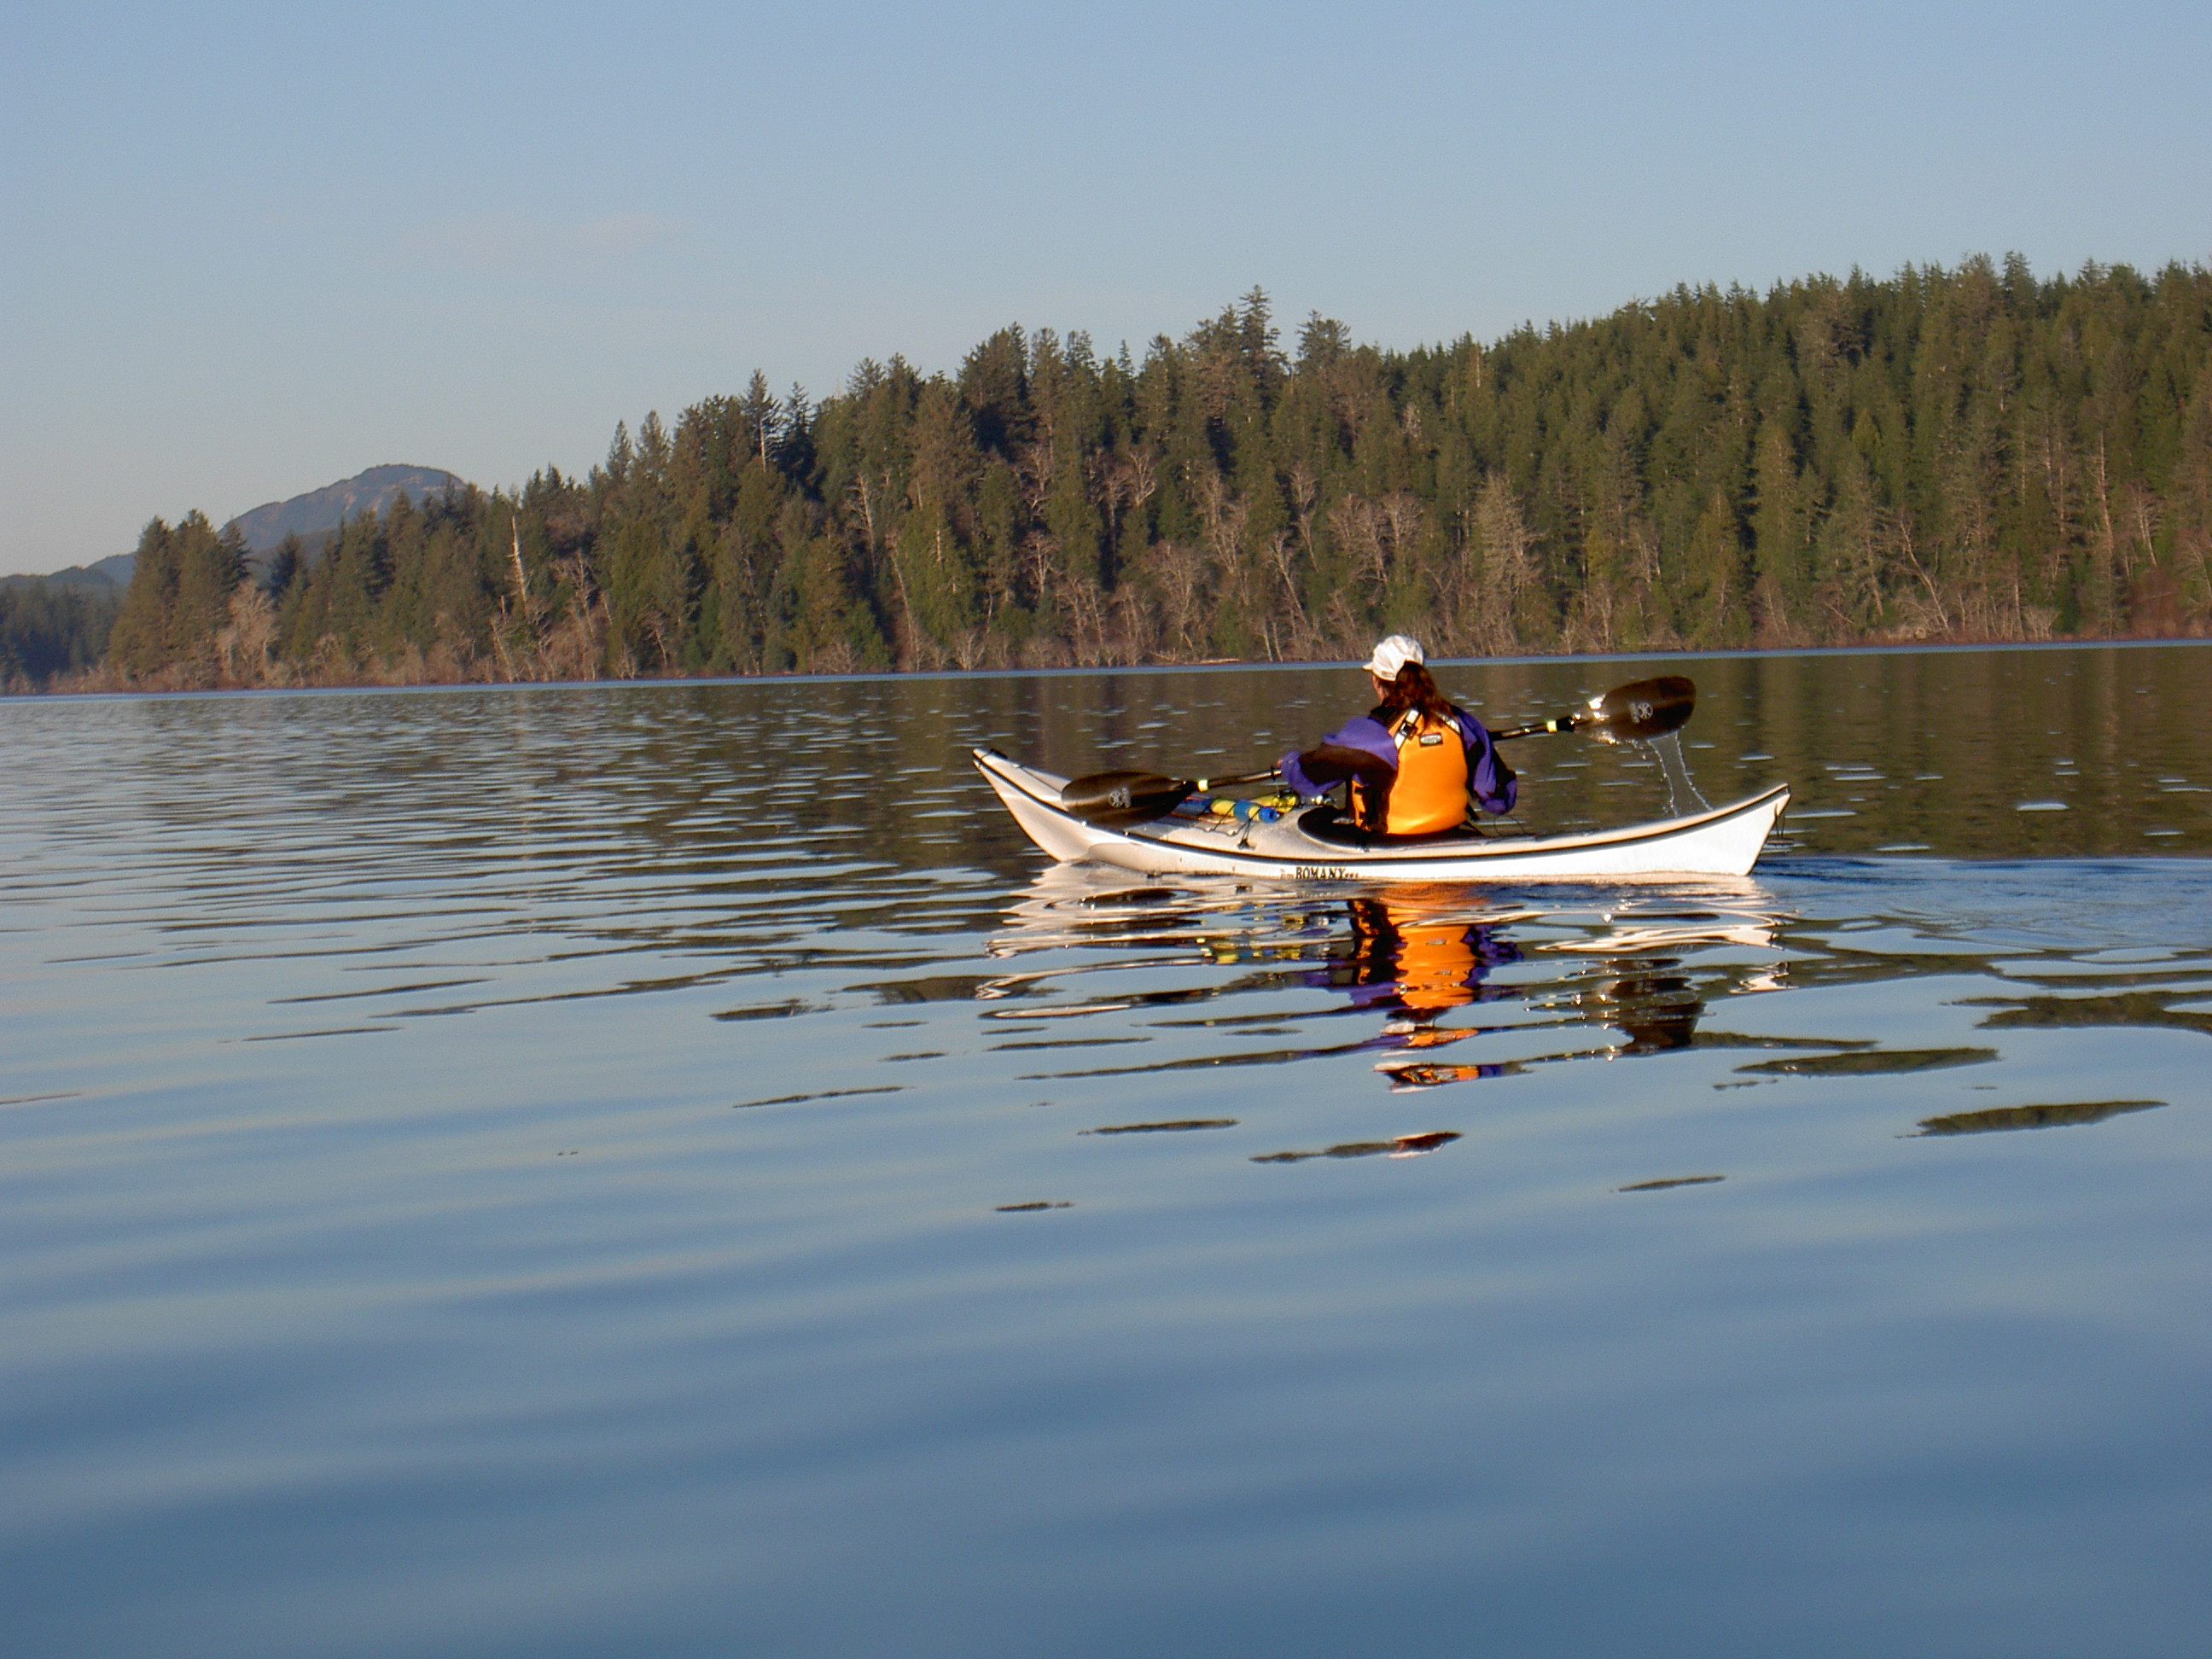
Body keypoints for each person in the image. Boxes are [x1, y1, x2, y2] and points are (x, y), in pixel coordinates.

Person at [1279, 635, 1516, 835]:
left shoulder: (1369, 734)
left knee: (1313, 820)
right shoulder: (1463, 725)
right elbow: (1499, 801)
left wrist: (1289, 764)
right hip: (1449, 833)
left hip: (1388, 842)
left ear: (1376, 681)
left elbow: (1308, 780)